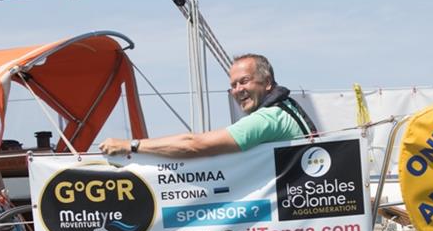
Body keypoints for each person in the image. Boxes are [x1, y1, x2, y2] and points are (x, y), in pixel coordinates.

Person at [99, 54, 316, 158]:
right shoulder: (286, 106)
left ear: (267, 83)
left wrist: (131, 145)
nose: (238, 90)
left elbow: (194, 144)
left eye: (244, 81)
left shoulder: (268, 119)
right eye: (233, 85)